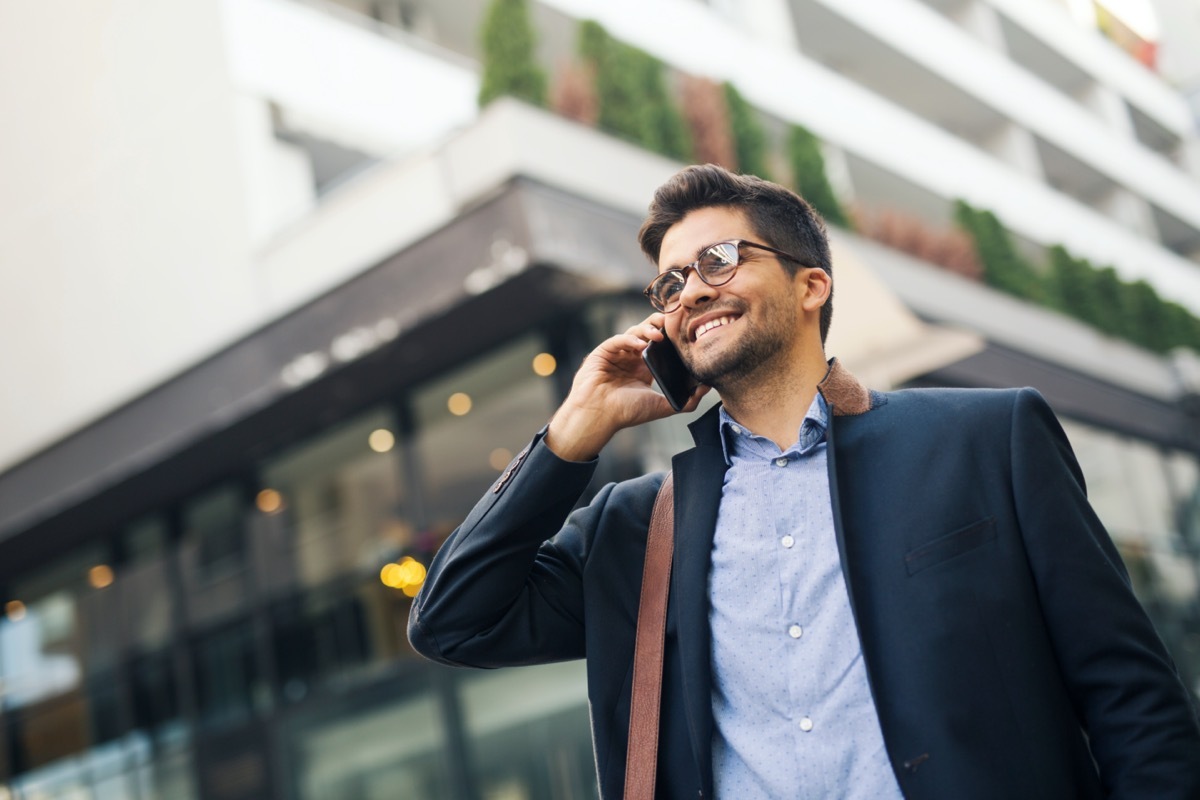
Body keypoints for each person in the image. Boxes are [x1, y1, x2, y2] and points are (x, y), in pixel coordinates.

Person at [408, 165, 1200, 799]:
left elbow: (1132, 698)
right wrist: (571, 434)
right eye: (670, 284)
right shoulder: (635, 528)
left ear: (810, 285)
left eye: (719, 260)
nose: (691, 292)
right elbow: (452, 623)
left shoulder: (989, 439)